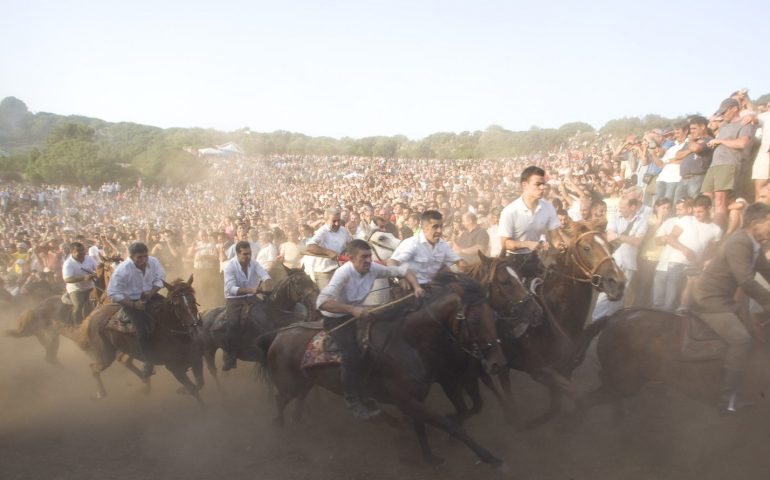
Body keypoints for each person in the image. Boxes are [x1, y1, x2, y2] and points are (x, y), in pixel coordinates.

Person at [317, 239, 424, 419]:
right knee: (351, 355)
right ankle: (352, 399)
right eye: (363, 257)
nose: (368, 260)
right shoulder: (342, 274)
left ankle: (372, 387)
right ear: (351, 258)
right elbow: (321, 303)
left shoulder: (373, 268)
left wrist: (416, 286)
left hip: (359, 314)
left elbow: (404, 270)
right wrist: (351, 309)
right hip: (336, 320)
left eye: (369, 256)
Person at [692, 202, 770, 414]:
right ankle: (727, 398)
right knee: (741, 339)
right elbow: (745, 281)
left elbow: (767, 271)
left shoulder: (753, 244)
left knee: (756, 332)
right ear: (756, 224)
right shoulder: (740, 243)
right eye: (769, 223)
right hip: (708, 300)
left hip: (723, 300)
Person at [106, 242, 166, 377]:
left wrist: (151, 293)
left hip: (151, 296)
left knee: (172, 312)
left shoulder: (153, 261)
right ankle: (149, 361)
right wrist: (134, 305)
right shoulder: (122, 270)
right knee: (142, 328)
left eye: (145, 256)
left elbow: (160, 279)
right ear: (131, 257)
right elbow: (113, 293)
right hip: (131, 302)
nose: (144, 260)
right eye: (139, 257)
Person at [653, 195, 721, 311]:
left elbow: (713, 251)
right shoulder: (687, 220)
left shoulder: (716, 229)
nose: (697, 215)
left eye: (700, 211)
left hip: (695, 266)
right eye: (695, 211)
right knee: (670, 300)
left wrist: (703, 262)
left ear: (709, 209)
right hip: (676, 262)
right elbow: (671, 238)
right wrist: (685, 250)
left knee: (684, 303)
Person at [498, 166, 567, 279]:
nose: (543, 187)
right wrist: (527, 244)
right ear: (525, 185)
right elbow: (505, 244)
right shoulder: (510, 211)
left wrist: (560, 245)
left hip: (535, 258)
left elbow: (554, 236)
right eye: (537, 184)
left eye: (543, 184)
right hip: (513, 260)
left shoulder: (548, 207)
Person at [702, 98, 755, 230]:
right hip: (714, 165)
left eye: (724, 111)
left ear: (735, 109)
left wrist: (719, 141)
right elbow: (713, 121)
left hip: (728, 163)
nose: (722, 114)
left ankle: (717, 235)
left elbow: (742, 143)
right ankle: (705, 231)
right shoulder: (725, 124)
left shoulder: (745, 124)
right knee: (706, 201)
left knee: (720, 200)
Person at [592, 196, 647, 320]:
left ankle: (610, 323)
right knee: (604, 293)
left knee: (619, 295)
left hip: (629, 264)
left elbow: (638, 242)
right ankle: (595, 323)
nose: (619, 209)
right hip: (613, 262)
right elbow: (610, 237)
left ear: (632, 207)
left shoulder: (642, 221)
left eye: (622, 207)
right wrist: (628, 238)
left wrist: (618, 236)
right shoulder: (615, 218)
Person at [221, 240, 273, 371]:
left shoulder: (253, 263)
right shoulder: (229, 266)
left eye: (249, 253)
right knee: (232, 324)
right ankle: (230, 355)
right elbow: (230, 288)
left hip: (251, 298)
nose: (248, 257)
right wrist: (251, 290)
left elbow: (265, 275)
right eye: (245, 254)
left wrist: (267, 282)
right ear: (237, 254)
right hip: (235, 300)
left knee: (267, 316)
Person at [388, 210, 460, 286]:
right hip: (412, 290)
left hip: (435, 288)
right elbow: (392, 262)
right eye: (435, 227)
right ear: (424, 228)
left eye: (441, 226)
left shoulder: (442, 245)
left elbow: (444, 267)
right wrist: (401, 279)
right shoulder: (411, 243)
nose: (440, 230)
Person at [305, 208, 352, 290]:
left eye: (338, 220)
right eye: (334, 221)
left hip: (340, 270)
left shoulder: (343, 230)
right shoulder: (322, 232)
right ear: (326, 220)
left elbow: (350, 244)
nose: (337, 224)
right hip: (325, 273)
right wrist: (328, 252)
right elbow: (310, 246)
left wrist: (347, 251)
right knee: (328, 299)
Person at [61, 242, 98, 324]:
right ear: (72, 252)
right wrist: (84, 278)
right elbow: (67, 279)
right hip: (77, 289)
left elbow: (98, 268)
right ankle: (77, 326)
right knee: (78, 306)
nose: (82, 252)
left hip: (91, 286)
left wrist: (96, 273)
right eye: (78, 251)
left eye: (83, 250)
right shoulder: (68, 264)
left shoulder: (89, 258)